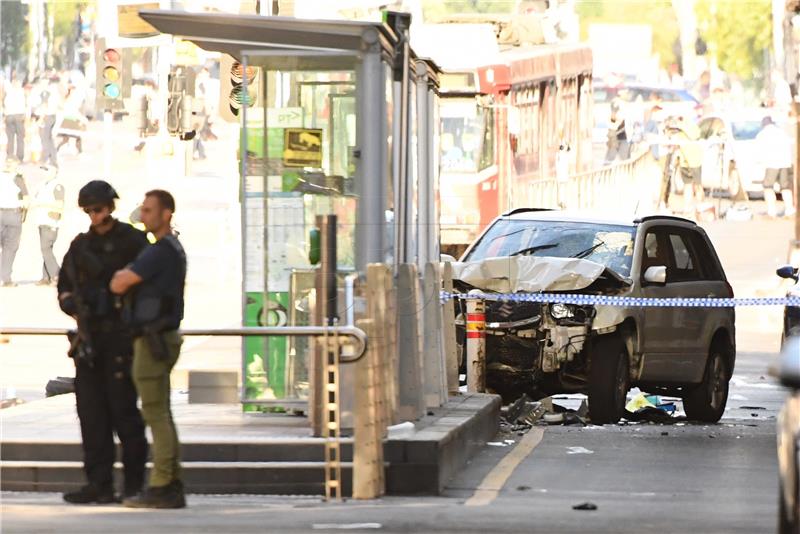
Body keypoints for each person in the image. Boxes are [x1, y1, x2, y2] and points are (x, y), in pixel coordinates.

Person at [57, 180, 148, 504]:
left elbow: (144, 286)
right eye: (90, 211)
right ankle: (99, 484)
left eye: (100, 209)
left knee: (124, 414)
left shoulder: (132, 241)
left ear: (111, 206)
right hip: (89, 339)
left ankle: (135, 484)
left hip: (121, 338)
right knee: (92, 416)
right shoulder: (80, 246)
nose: (96, 216)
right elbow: (64, 287)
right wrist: (74, 305)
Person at [110, 189, 187, 509]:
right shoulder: (172, 249)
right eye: (143, 209)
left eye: (149, 209)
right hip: (162, 337)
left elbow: (120, 283)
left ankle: (162, 484)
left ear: (166, 213)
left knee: (155, 412)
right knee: (161, 412)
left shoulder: (160, 251)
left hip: (153, 338)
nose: (144, 215)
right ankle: (170, 481)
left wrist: (121, 276)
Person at [30, 165, 65, 284]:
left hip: (51, 222)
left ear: (55, 172)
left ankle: (57, 274)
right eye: (45, 171)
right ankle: (46, 277)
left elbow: (60, 205)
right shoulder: (42, 185)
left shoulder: (57, 186)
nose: (45, 173)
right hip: (41, 220)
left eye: (48, 170)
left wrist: (42, 204)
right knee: (46, 249)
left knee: (45, 249)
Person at [756, 116, 796, 218]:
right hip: (785, 163)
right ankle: (790, 210)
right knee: (785, 187)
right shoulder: (781, 132)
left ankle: (771, 211)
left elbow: (759, 152)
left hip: (771, 164)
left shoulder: (762, 134)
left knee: (768, 187)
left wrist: (759, 164)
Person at [0, 162, 29, 286]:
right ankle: (5, 278)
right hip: (13, 214)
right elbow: (26, 199)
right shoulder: (17, 178)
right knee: (10, 247)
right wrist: (24, 216)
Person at [4, 75, 27, 162]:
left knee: (10, 137)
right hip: (19, 116)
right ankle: (20, 157)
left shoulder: (9, 91)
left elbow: (5, 102)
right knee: (20, 137)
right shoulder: (21, 91)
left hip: (9, 115)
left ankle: (10, 155)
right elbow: (25, 104)